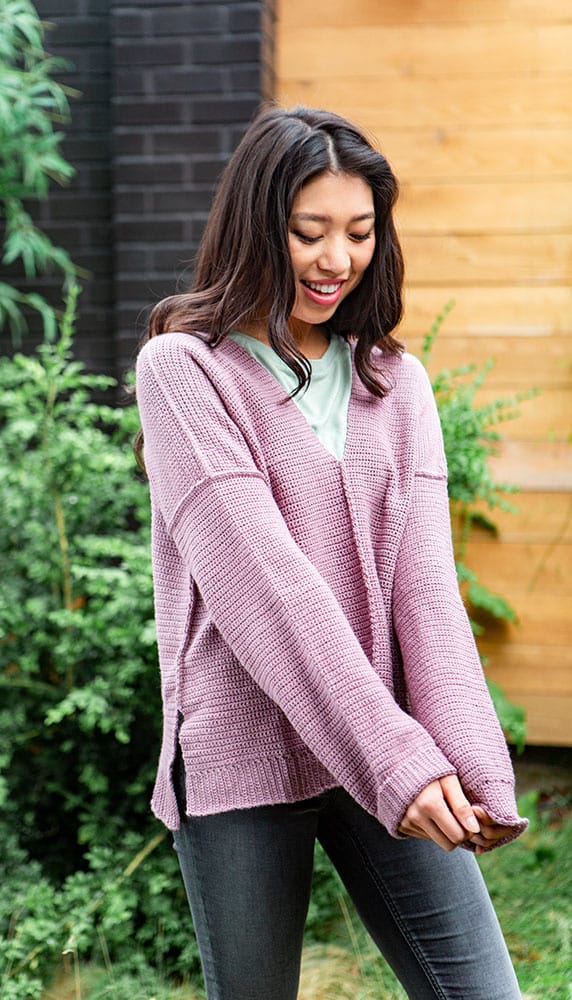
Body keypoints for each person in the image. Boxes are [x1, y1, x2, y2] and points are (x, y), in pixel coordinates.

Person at [135, 105, 528, 1000]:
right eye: (308, 233)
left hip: (383, 741)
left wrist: (472, 762)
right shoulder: (183, 372)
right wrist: (402, 760)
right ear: (255, 227)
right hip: (245, 751)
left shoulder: (397, 382)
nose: (335, 261)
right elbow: (267, 589)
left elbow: (425, 592)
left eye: (358, 233)